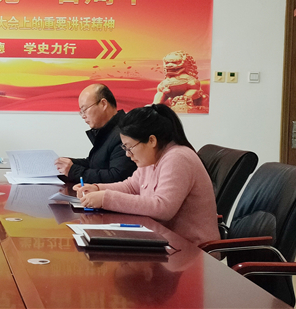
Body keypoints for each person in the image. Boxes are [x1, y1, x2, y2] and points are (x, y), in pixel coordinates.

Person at [75, 104, 220, 246]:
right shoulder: (152, 157)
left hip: (191, 249)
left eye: (130, 147)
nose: (128, 154)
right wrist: (97, 188)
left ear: (151, 141)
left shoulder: (177, 157)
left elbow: (163, 208)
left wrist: (106, 198)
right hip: (164, 240)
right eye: (125, 147)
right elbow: (131, 186)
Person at [54, 84, 136, 184]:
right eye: (81, 112)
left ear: (103, 104)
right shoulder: (106, 131)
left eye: (84, 110)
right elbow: (94, 164)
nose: (83, 116)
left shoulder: (125, 132)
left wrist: (73, 170)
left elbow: (117, 177)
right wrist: (66, 163)